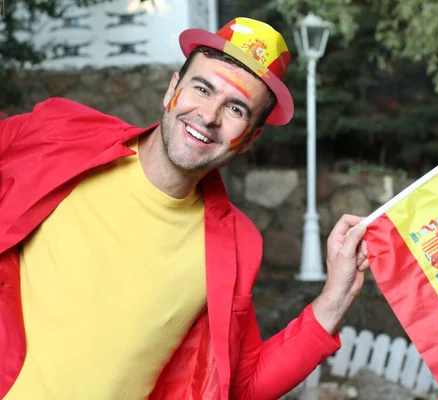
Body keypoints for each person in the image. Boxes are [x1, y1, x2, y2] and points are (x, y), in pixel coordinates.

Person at [0, 17, 370, 400]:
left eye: (237, 110)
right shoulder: (59, 134)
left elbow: (239, 386)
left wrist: (334, 298)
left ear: (249, 140)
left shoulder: (236, 246)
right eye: (203, 88)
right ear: (172, 89)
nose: (209, 116)